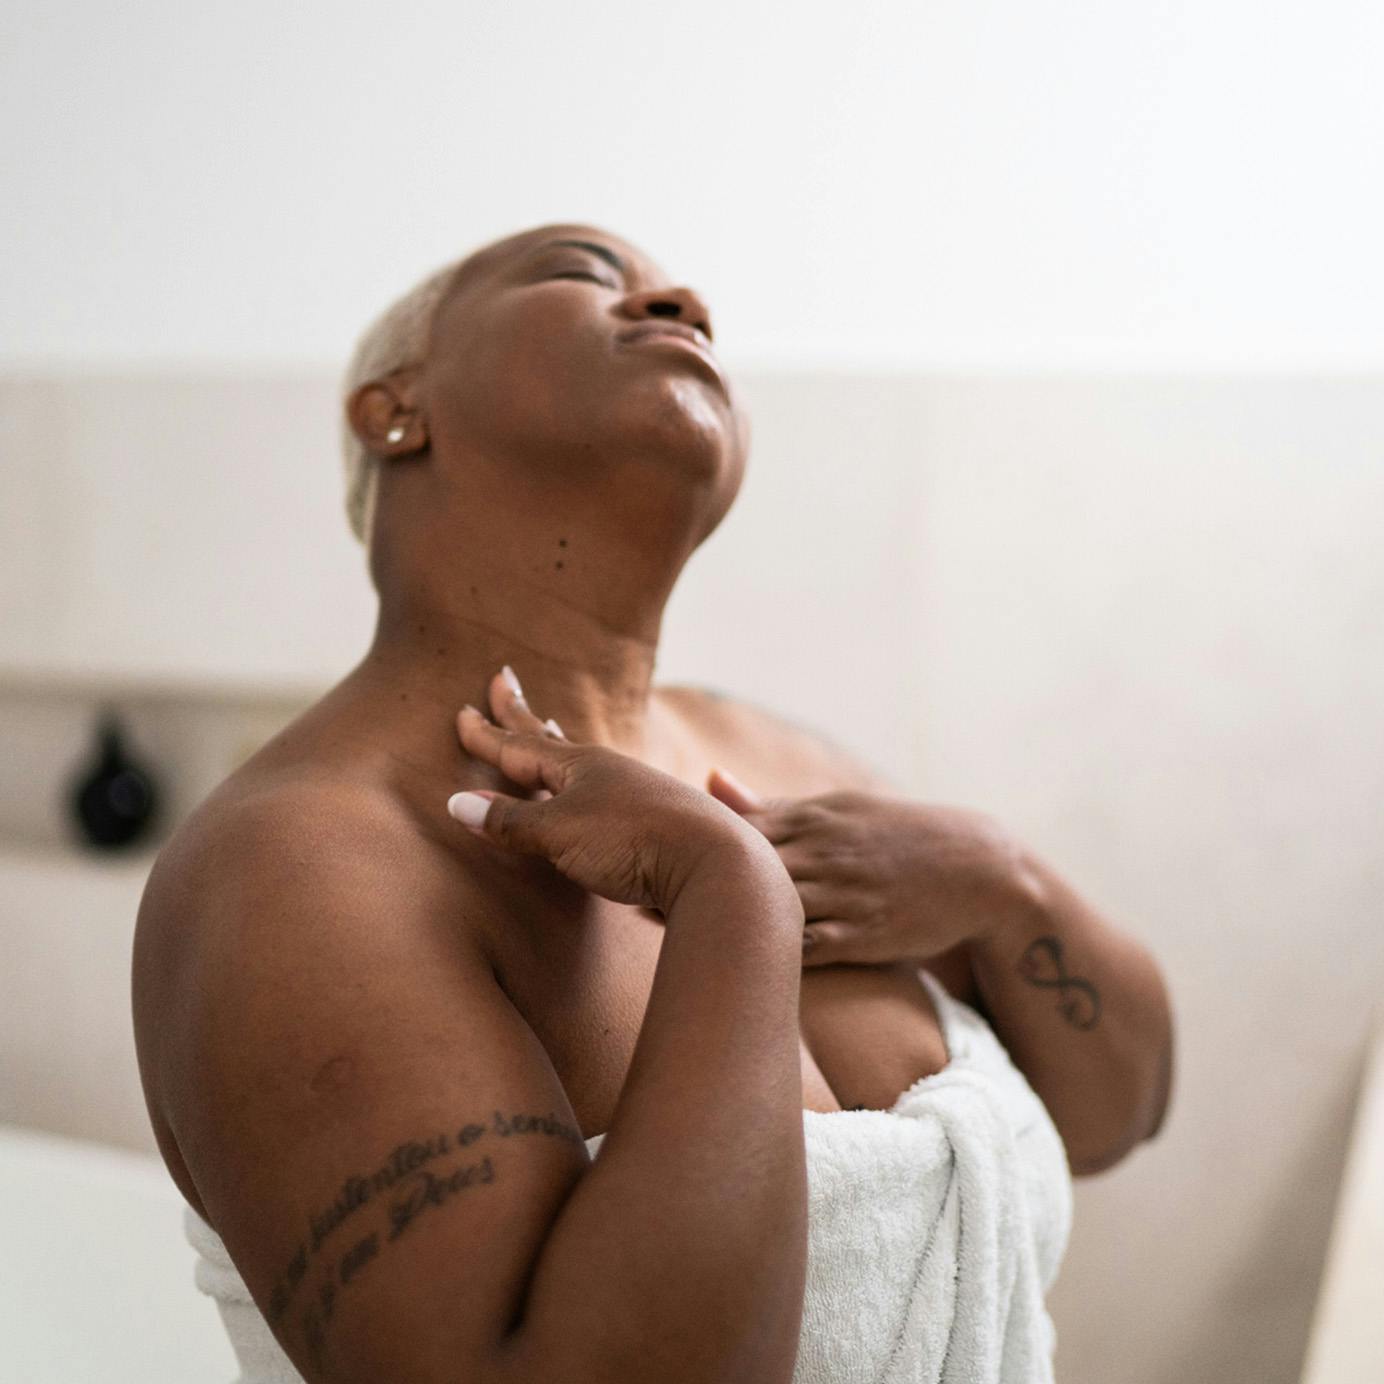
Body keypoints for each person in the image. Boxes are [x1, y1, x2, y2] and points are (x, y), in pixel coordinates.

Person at [132, 222, 1172, 1383]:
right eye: (584, 272)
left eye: (692, 301)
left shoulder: (778, 752)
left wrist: (999, 880)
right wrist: (734, 898)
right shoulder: (304, 867)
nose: (682, 300)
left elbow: (1115, 1114)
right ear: (396, 409)